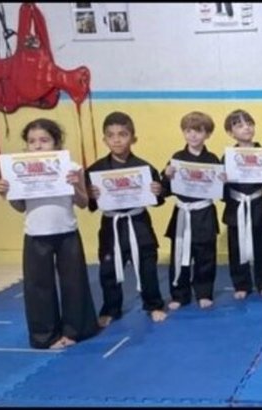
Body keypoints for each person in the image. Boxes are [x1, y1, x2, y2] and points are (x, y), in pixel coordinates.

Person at [0, 119, 98, 349]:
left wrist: (76, 185)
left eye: (44, 140)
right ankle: (45, 335)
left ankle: (76, 330)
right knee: (38, 286)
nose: (38, 145)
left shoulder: (71, 166)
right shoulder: (19, 169)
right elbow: (20, 206)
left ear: (56, 143)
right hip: (35, 233)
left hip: (67, 231)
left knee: (74, 283)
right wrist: (7, 193)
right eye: (32, 141)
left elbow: (83, 203)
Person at [85, 111, 167, 327]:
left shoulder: (145, 168)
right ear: (104, 139)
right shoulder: (95, 170)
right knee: (108, 270)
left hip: (138, 222)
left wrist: (157, 191)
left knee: (147, 267)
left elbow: (158, 201)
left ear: (133, 138)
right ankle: (111, 308)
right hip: (111, 225)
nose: (117, 140)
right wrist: (91, 195)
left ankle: (154, 304)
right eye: (111, 135)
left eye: (122, 134)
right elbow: (90, 205)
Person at [160, 111, 221, 310]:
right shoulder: (176, 159)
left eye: (198, 131)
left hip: (204, 212)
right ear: (183, 133)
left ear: (207, 134)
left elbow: (221, 192)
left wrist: (223, 181)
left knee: (205, 255)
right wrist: (166, 175)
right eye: (188, 131)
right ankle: (179, 294)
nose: (193, 135)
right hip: (182, 213)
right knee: (179, 254)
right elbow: (165, 190)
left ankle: (204, 292)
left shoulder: (212, 159)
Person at [221, 109, 262, 299]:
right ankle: (241, 284)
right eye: (239, 125)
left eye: (249, 124)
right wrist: (222, 181)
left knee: (261, 246)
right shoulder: (227, 157)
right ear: (230, 132)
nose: (246, 128)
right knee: (236, 247)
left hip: (256, 203)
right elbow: (219, 190)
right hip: (236, 204)